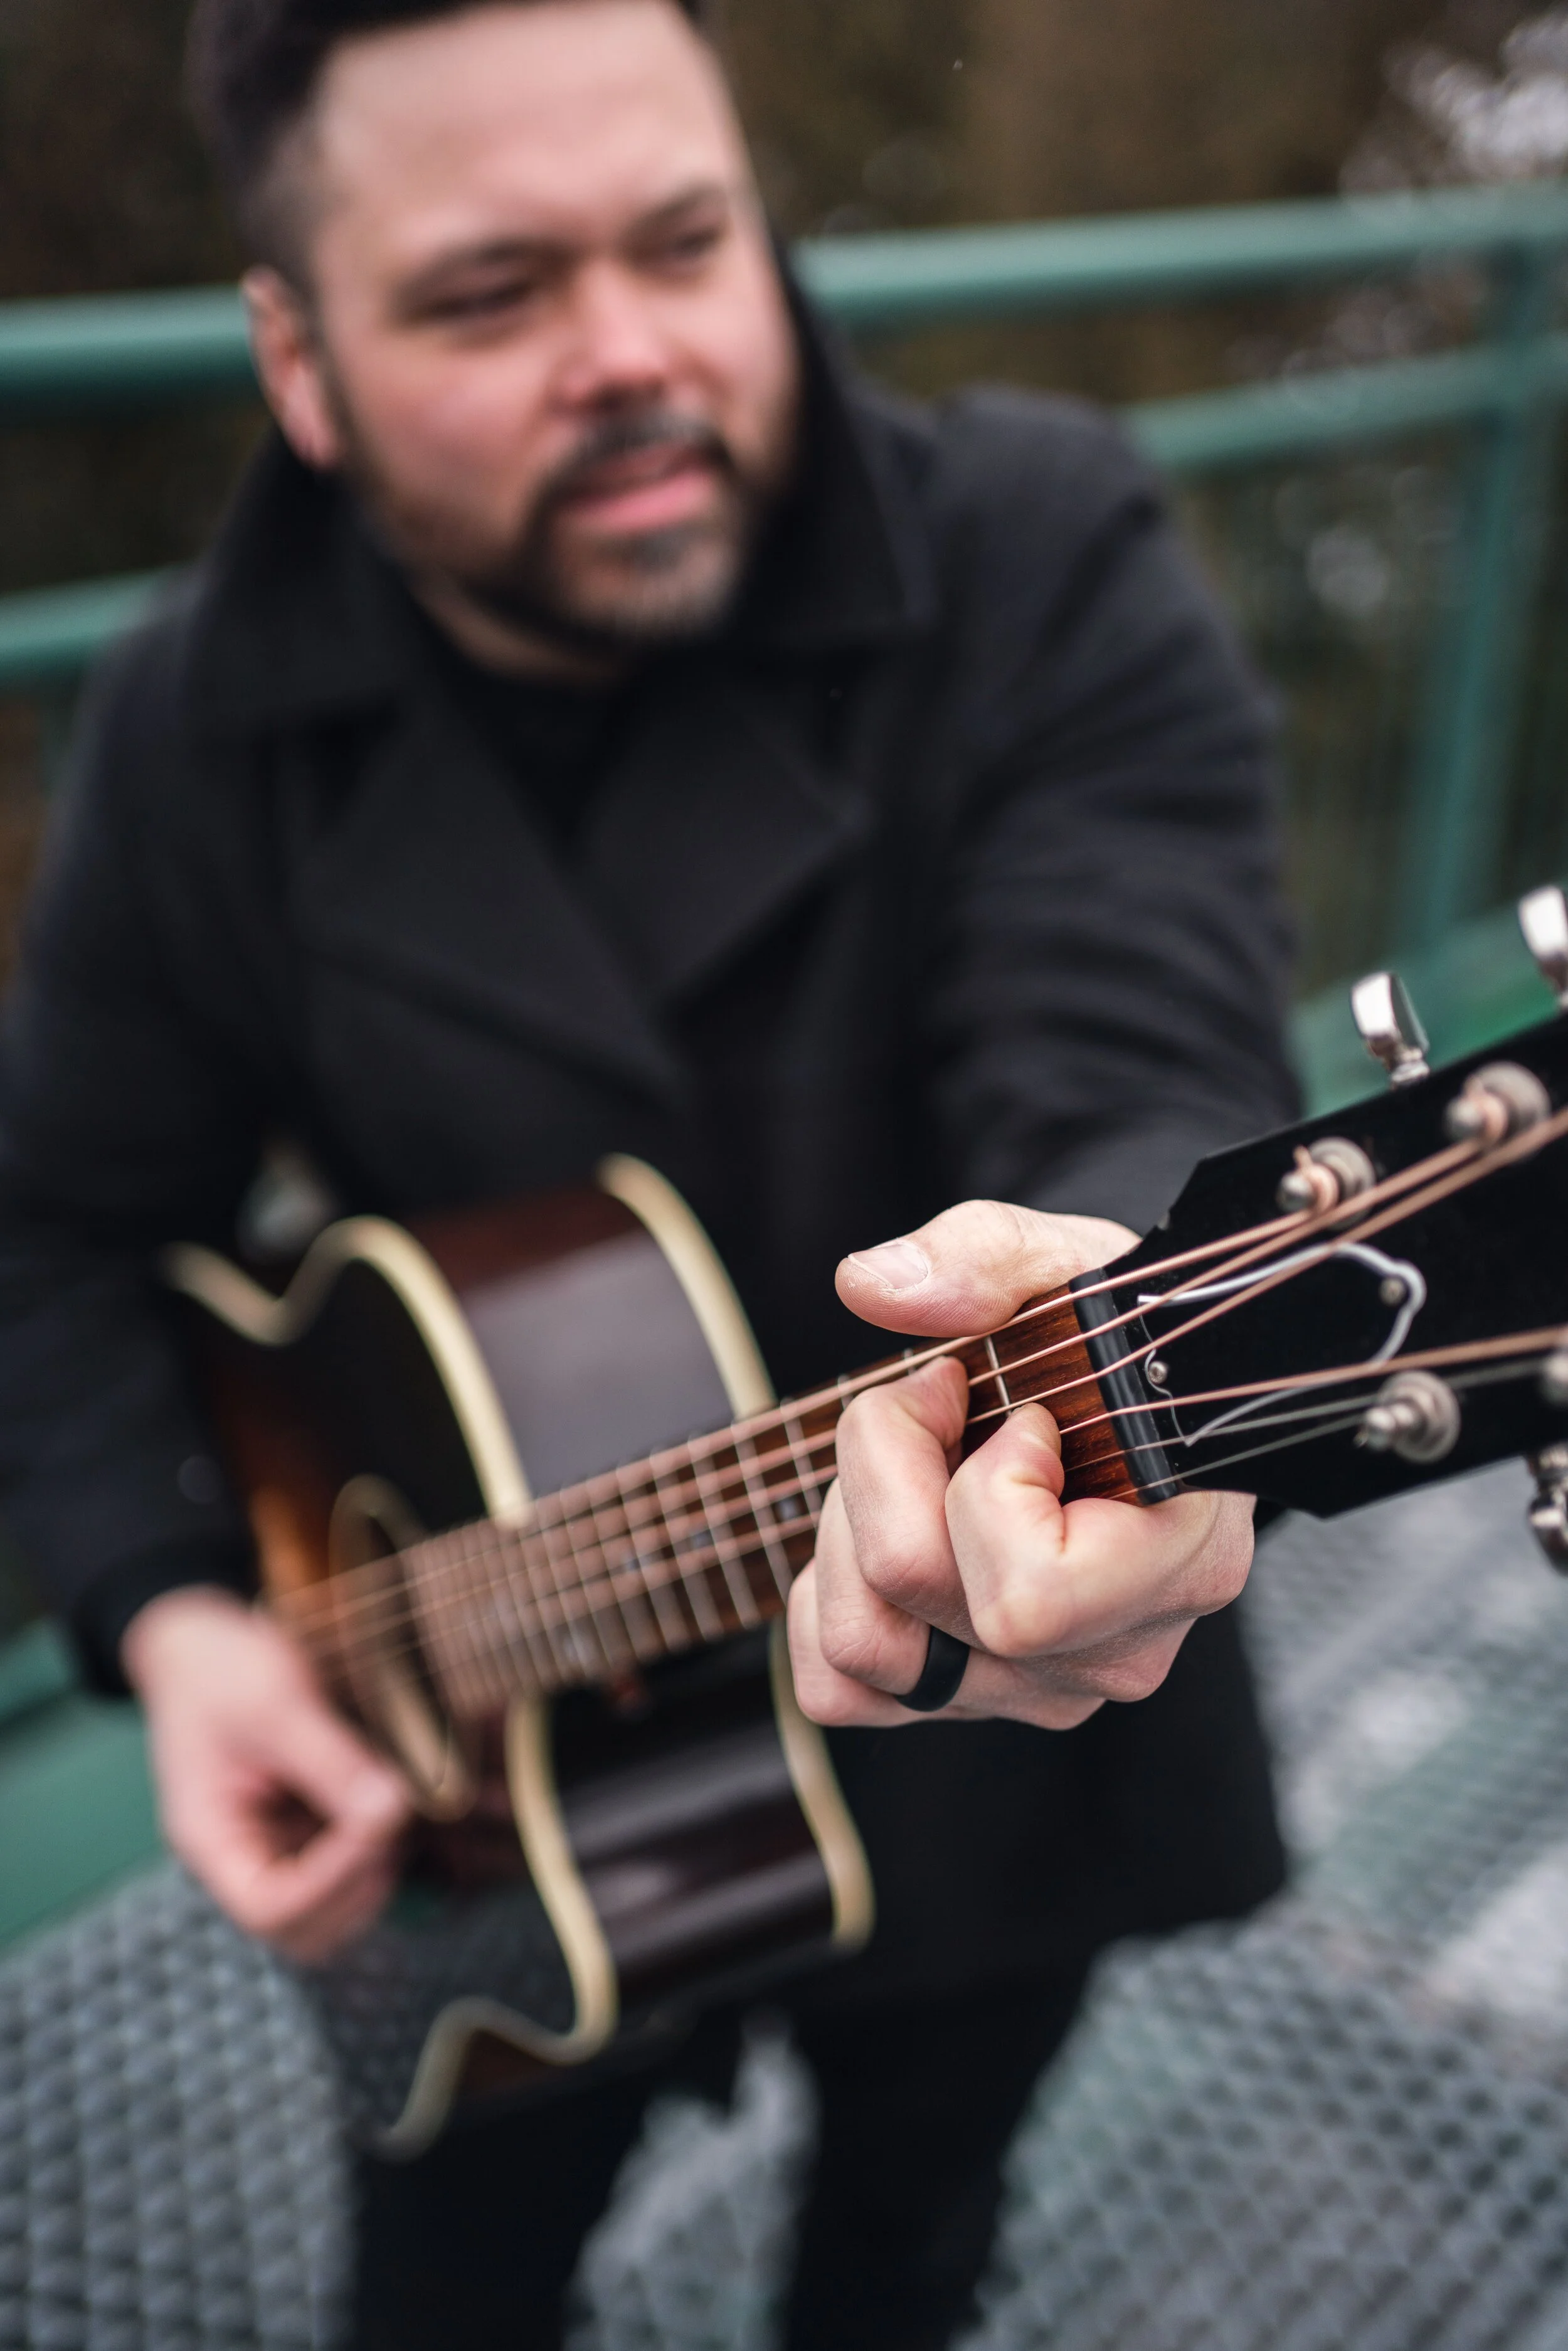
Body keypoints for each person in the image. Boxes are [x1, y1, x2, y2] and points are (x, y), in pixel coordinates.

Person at [0, 0, 1297, 2342]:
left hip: (1011, 1726)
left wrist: (1128, 1281)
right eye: (491, 294)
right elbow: (57, 1218)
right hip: (478, 1785)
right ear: (298, 365)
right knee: (444, 2292)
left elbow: (1135, 1031)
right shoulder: (203, 717)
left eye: (687, 241)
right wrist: (184, 1616)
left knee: (903, 2258)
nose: (633, 352)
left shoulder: (1035, 550)